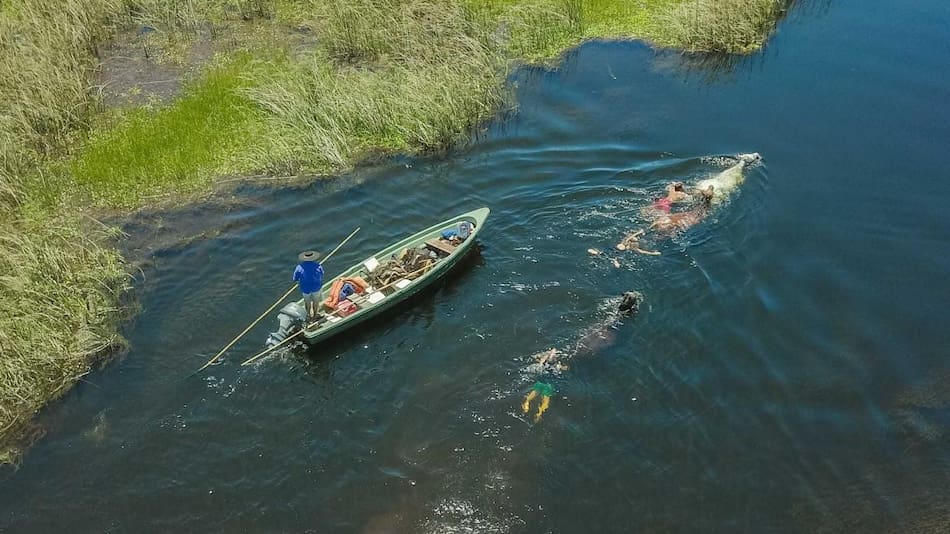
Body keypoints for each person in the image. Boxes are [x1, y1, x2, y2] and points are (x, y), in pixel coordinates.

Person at [293, 250, 324, 322]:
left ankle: (308, 316)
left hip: (305, 289)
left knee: (307, 303)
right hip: (316, 288)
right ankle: (315, 316)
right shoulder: (318, 266)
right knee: (316, 302)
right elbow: (322, 275)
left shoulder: (299, 267)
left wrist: (300, 283)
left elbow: (295, 279)